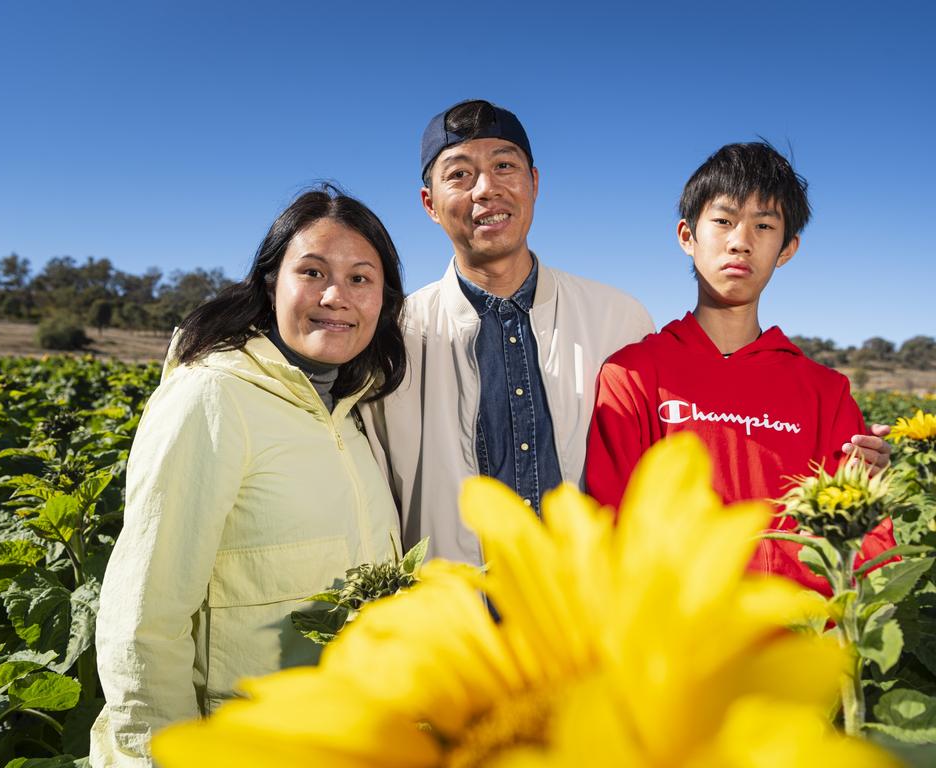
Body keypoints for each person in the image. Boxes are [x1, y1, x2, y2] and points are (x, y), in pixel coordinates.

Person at [90, 187, 407, 766]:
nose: (336, 296)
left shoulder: (353, 411)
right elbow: (142, 621)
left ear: (383, 300)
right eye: (312, 271)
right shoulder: (212, 396)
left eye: (361, 278)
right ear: (270, 284)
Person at [584, 142, 895, 592]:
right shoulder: (633, 375)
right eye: (724, 221)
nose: (740, 241)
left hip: (795, 645)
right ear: (687, 236)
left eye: (763, 225)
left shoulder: (825, 392)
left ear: (787, 249)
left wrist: (866, 492)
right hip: (678, 644)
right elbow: (611, 526)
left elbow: (863, 549)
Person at [364, 99, 654, 567]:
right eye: (459, 174)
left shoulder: (620, 321)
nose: (486, 189)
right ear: (429, 204)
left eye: (504, 166)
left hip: (590, 622)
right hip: (454, 624)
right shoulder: (392, 337)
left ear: (534, 184)